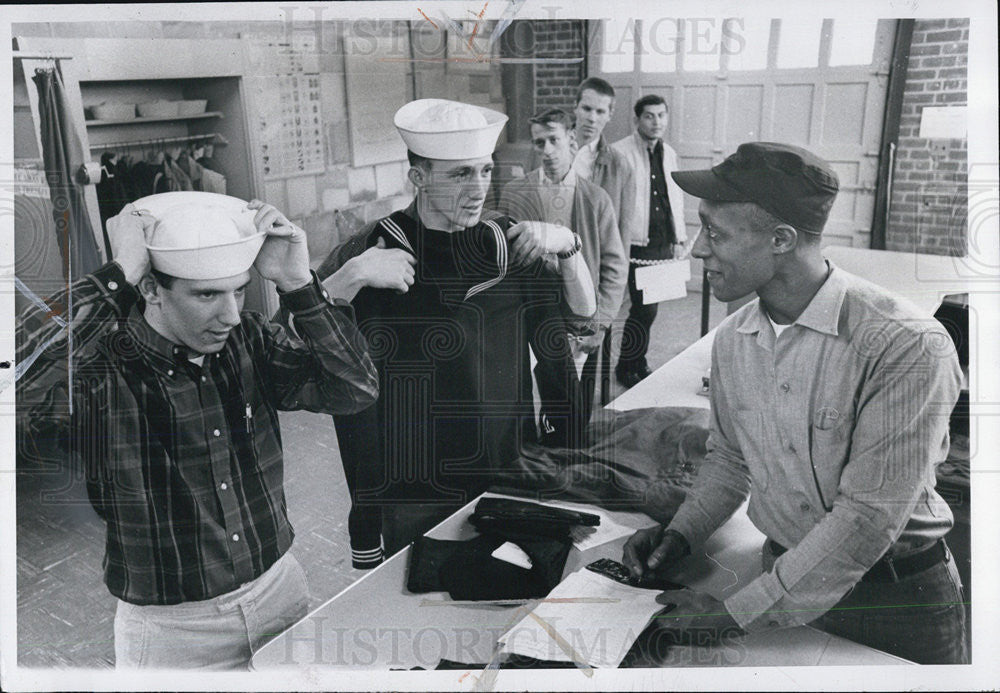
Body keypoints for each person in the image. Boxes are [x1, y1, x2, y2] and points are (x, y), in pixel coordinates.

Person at [621, 142, 967, 664]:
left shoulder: (907, 345)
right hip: (778, 580)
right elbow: (730, 459)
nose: (696, 249)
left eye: (714, 232)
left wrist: (732, 613)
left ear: (781, 239)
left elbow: (867, 519)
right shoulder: (736, 338)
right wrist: (682, 533)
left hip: (895, 603)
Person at [16, 195, 379, 669]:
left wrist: (297, 284)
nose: (230, 314)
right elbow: (15, 374)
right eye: (207, 295)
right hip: (174, 634)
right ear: (149, 289)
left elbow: (355, 388)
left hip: (280, 592)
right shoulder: (100, 369)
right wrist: (118, 271)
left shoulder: (249, 339)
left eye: (239, 290)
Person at [317, 98, 597, 561]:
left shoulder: (506, 244)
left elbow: (577, 326)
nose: (477, 189)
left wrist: (567, 245)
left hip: (507, 471)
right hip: (415, 489)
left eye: (485, 172)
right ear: (419, 177)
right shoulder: (370, 251)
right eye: (460, 174)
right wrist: (350, 277)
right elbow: (298, 346)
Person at [498, 107, 626, 445]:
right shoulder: (514, 193)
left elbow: (615, 266)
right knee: (531, 399)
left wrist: (599, 324)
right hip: (532, 318)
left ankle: (572, 454)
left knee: (575, 407)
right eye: (539, 144)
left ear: (571, 139)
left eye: (554, 140)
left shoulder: (596, 199)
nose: (547, 151)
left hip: (581, 321)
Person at [611, 94, 688, 387]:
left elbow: (674, 198)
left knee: (650, 308)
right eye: (649, 116)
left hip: (660, 242)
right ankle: (625, 367)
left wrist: (678, 237)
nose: (656, 122)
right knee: (643, 308)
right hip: (633, 244)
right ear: (636, 120)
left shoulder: (669, 152)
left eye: (661, 115)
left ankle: (637, 362)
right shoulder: (620, 152)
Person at [570, 77, 639, 382]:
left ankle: (578, 430)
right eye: (586, 108)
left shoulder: (620, 167)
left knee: (581, 382)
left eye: (600, 111)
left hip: (590, 286)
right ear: (575, 107)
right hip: (548, 282)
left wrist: (604, 317)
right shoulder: (550, 151)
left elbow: (620, 248)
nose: (592, 118)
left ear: (611, 114)